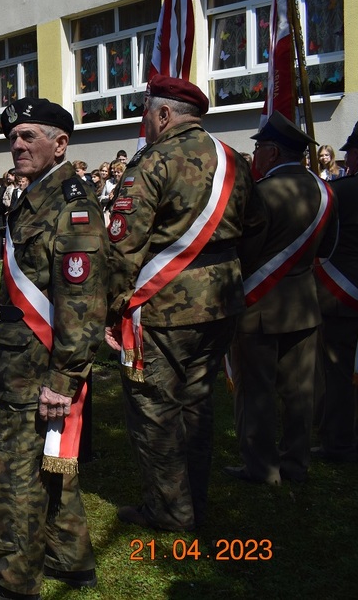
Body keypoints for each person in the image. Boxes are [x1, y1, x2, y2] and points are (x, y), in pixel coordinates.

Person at [105, 75, 255, 531]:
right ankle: (196, 500)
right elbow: (258, 225)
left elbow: (122, 248)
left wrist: (112, 311)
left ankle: (170, 511)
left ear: (164, 114)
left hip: (165, 307)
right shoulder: (234, 160)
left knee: (155, 408)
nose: (144, 122)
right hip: (223, 302)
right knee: (197, 404)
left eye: (146, 112)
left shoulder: (152, 163)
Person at [0, 97, 107, 600]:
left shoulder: (70, 204)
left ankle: (15, 578)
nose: (18, 144)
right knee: (53, 463)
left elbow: (82, 300)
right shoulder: (35, 196)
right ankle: (69, 559)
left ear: (60, 143)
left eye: (29, 136)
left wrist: (63, 379)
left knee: (14, 474)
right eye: (13, 137)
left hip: (40, 367)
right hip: (24, 359)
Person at [223, 112, 333, 485]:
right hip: (304, 305)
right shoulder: (324, 190)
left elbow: (244, 252)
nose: (255, 156)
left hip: (258, 307)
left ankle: (262, 468)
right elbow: (329, 247)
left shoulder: (262, 193)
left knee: (256, 392)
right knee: (300, 392)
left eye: (258, 148)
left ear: (270, 152)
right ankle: (296, 463)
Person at [314, 121, 358, 462]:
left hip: (347, 294)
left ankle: (339, 442)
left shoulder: (343, 191)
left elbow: (322, 240)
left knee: (340, 372)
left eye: (350, 155)